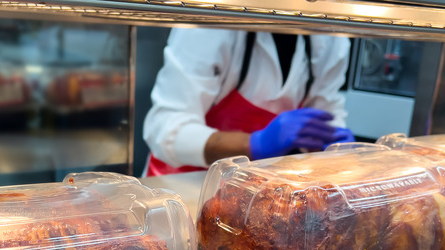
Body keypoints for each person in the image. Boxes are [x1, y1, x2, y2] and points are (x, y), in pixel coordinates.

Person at [143, 29, 354, 176]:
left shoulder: (329, 33)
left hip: (260, 196)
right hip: (185, 191)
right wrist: (254, 144)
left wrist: (335, 146)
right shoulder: (213, 18)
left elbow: (327, 110)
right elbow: (163, 128)